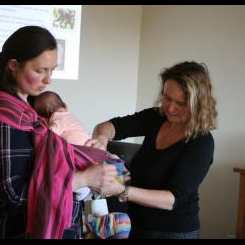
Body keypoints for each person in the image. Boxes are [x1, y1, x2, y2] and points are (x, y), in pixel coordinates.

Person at [0, 26, 117, 239]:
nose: (48, 80)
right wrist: (82, 179)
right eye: (40, 70)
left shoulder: (31, 110)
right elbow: (14, 195)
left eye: (52, 70)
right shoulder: (8, 118)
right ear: (13, 65)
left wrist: (85, 155)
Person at [85, 61, 218, 239]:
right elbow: (108, 126)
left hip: (173, 232)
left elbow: (170, 200)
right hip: (134, 224)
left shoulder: (201, 142)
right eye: (167, 98)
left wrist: (121, 190)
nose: (170, 108)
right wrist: (102, 139)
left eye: (181, 103)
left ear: (197, 105)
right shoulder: (155, 117)